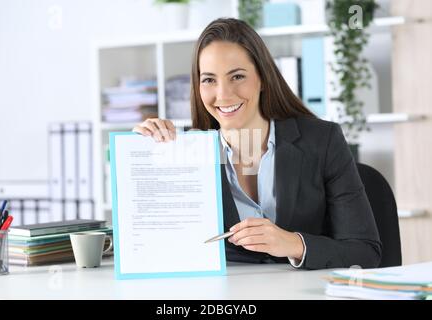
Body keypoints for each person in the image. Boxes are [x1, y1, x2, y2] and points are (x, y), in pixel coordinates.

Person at [132, 18, 382, 269]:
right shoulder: (185, 152)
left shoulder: (322, 140)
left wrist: (294, 244)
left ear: (262, 78)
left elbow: (364, 251)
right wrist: (142, 152)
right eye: (209, 80)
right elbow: (157, 246)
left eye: (237, 76)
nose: (223, 95)